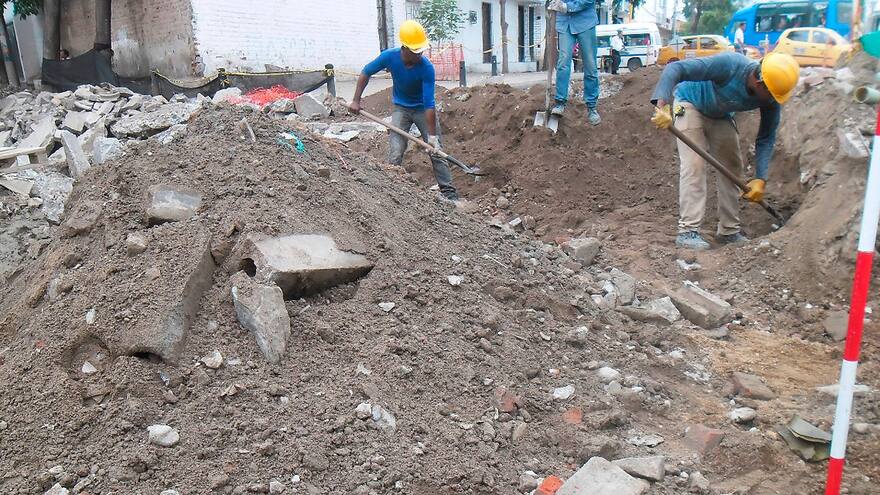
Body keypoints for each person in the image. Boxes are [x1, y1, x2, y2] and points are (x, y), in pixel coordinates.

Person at [650, 52, 799, 250]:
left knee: (732, 166)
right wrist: (662, 106)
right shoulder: (730, 65)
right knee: (694, 164)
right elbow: (675, 69)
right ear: (759, 82)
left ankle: (729, 231)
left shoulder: (770, 97)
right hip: (690, 103)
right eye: (771, 95)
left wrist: (760, 179)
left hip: (720, 114)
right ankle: (687, 231)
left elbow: (766, 138)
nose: (773, 100)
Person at [349, 20, 459, 201]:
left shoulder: (426, 68)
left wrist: (432, 137)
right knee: (396, 149)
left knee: (436, 150)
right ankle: (390, 187)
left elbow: (429, 103)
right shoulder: (389, 57)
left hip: (422, 109)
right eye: (416, 50)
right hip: (401, 108)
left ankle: (449, 192)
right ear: (405, 48)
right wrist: (355, 100)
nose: (420, 53)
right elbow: (366, 72)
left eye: (421, 49)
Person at [548, 0, 601, 125]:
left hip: (585, 22)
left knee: (590, 65)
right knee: (563, 62)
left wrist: (567, 6)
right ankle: (560, 102)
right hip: (564, 22)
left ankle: (592, 107)